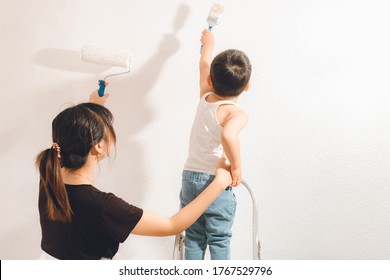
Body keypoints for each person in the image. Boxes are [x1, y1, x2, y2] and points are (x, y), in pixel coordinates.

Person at [35, 90, 232, 260]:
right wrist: (219, 182)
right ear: (98, 145)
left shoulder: (49, 179)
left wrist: (95, 105)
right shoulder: (102, 206)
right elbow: (172, 225)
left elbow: (77, 135)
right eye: (108, 128)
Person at [180, 29, 252, 260]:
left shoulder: (204, 96)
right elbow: (229, 136)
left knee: (193, 236)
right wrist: (237, 166)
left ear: (211, 80)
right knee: (219, 237)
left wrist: (209, 44)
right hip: (215, 181)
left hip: (190, 177)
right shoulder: (236, 114)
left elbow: (204, 64)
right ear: (247, 85)